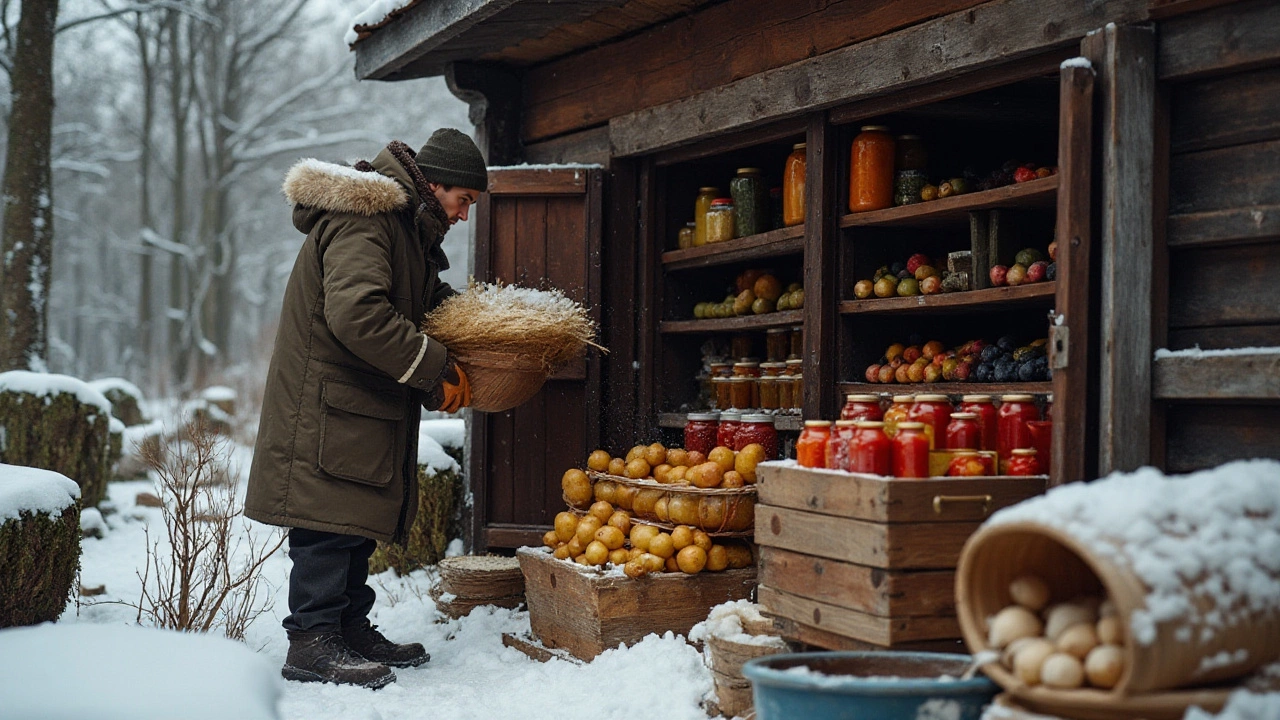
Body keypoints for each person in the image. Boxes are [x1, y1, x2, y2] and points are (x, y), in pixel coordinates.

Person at [245, 130, 487, 689]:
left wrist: (480, 322)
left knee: (349, 523)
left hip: (352, 406)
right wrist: (435, 368)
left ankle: (348, 628)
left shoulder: (403, 228)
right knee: (326, 527)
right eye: (465, 201)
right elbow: (358, 314)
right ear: (436, 183)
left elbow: (414, 302)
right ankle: (312, 641)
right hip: (328, 406)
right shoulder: (369, 220)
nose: (465, 215)